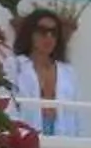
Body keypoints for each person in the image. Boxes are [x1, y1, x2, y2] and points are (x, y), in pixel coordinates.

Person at [10, 7, 82, 137]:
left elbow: (77, 116)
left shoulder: (68, 73)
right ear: (30, 33)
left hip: (63, 139)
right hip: (25, 139)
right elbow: (9, 109)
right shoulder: (15, 66)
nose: (49, 37)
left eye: (54, 32)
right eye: (42, 31)